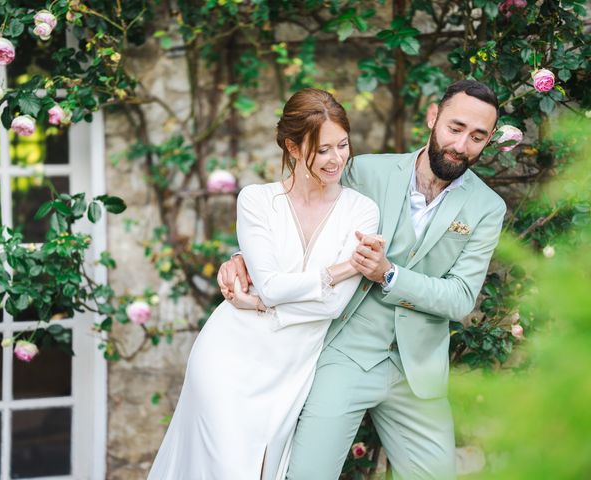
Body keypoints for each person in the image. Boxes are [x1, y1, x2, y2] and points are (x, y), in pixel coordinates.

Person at [218, 80, 507, 480]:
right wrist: (244, 257)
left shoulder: (487, 207)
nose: (461, 145)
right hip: (345, 354)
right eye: (455, 128)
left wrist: (388, 274)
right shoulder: (366, 170)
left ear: (489, 139)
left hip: (417, 372)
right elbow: (303, 216)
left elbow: (459, 299)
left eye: (477, 137)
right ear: (432, 117)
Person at [147, 88, 379, 480]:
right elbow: (270, 285)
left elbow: (332, 307)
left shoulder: (362, 210)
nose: (336, 158)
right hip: (228, 356)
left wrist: (256, 302)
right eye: (322, 149)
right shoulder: (256, 201)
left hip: (291, 368)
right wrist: (332, 272)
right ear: (292, 146)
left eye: (343, 145)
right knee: (221, 469)